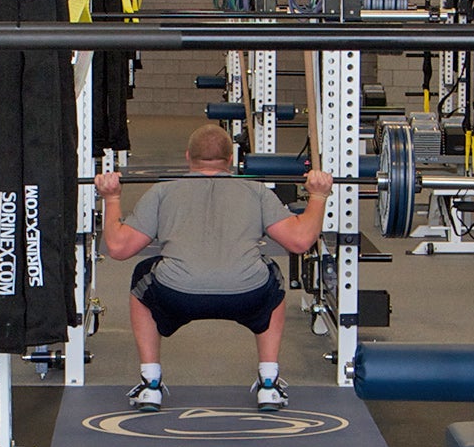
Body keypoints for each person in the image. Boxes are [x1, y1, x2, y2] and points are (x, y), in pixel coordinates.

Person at [95, 125, 333, 413]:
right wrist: (319, 196)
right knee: (273, 276)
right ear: (230, 159)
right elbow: (300, 241)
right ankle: (269, 384)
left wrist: (112, 198)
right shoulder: (256, 191)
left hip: (178, 293)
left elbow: (119, 248)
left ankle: (151, 384)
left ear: (187, 157)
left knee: (142, 277)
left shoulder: (162, 191)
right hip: (247, 293)